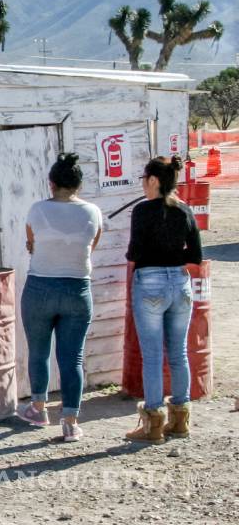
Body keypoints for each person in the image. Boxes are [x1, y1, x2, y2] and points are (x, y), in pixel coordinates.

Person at [16, 153, 103, 442]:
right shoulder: (92, 212)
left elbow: (31, 244)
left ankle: (38, 408)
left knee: (39, 351)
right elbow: (92, 246)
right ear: (79, 185)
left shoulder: (37, 210)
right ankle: (70, 421)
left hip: (40, 287)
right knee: (72, 358)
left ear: (51, 183)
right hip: (77, 289)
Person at [125, 156, 202, 443]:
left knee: (153, 355)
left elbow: (134, 253)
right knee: (178, 352)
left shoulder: (142, 211)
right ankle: (180, 420)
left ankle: (153, 423)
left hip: (150, 281)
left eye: (144, 180)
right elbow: (196, 255)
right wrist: (173, 255)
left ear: (154, 180)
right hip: (180, 282)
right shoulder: (184, 209)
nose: (143, 185)